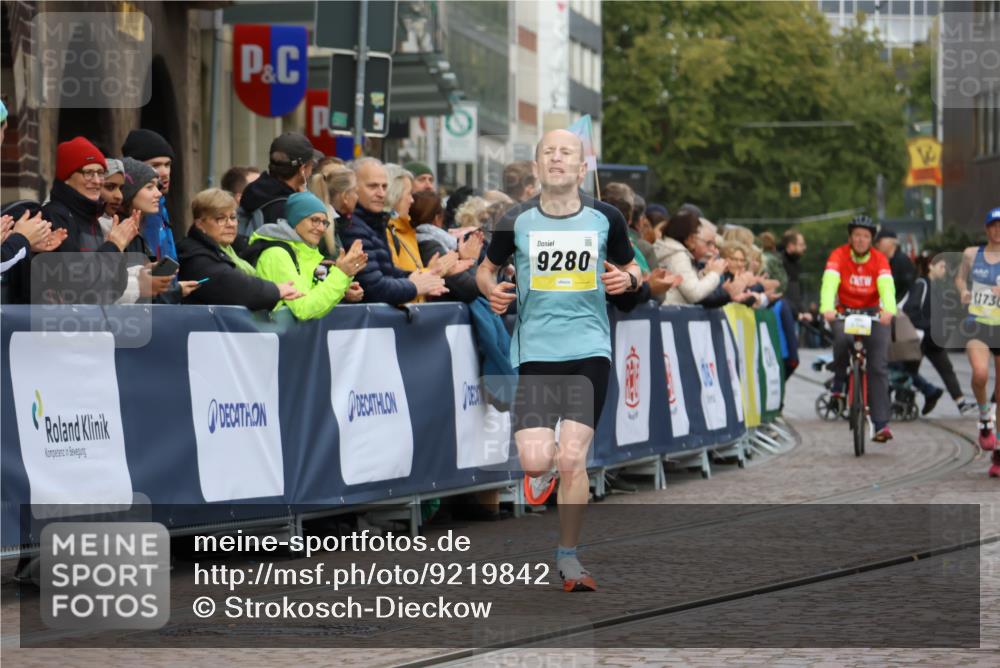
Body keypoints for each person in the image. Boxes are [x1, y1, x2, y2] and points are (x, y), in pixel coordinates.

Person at [476, 129, 642, 592]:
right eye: (548, 151)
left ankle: (569, 557)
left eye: (566, 152)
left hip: (590, 349)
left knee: (571, 458)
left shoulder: (607, 217)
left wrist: (627, 281)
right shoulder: (515, 220)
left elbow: (633, 267)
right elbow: (486, 269)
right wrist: (492, 290)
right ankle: (542, 472)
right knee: (534, 462)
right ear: (536, 167)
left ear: (581, 168)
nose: (556, 157)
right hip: (535, 351)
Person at [23, 137, 139, 304]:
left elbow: (114, 289)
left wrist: (119, 249)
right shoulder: (53, 217)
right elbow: (75, 287)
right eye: (88, 173)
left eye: (101, 173)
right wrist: (113, 247)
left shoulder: (92, 217)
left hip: (93, 317)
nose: (97, 181)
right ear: (67, 177)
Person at [820, 215, 896, 442]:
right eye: (857, 235)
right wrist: (827, 307)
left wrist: (889, 310)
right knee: (841, 339)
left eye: (865, 236)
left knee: (878, 366)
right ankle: (839, 382)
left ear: (871, 240)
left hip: (873, 314)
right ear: (850, 238)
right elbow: (829, 283)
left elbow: (887, 286)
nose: (861, 240)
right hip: (845, 311)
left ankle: (881, 424)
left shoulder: (879, 259)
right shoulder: (838, 255)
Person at [337, 157, 446, 305]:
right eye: (372, 186)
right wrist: (414, 285)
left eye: (384, 186)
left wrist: (421, 278)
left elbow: (388, 272)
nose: (381, 193)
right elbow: (374, 288)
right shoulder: (352, 227)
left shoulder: (376, 222)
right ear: (353, 188)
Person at [246, 191, 366, 319]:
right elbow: (304, 309)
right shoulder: (276, 254)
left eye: (324, 223)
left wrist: (342, 290)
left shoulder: (307, 252)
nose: (321, 228)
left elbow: (312, 295)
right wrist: (341, 274)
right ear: (296, 219)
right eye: (315, 220)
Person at [178, 188, 304, 309]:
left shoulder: (236, 248)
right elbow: (231, 284)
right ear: (200, 224)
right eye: (220, 219)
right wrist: (275, 290)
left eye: (233, 218)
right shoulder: (193, 255)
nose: (230, 224)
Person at [955, 206, 1000, 476]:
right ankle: (984, 417)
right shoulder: (972, 254)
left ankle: (999, 453)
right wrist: (963, 291)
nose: (998, 230)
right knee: (980, 374)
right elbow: (960, 279)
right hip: (978, 325)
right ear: (986, 229)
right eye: (994, 225)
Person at [119, 157, 200, 302]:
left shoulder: (136, 230)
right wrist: (174, 292)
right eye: (149, 187)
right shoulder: (118, 231)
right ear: (128, 191)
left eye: (168, 164)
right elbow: (112, 291)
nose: (159, 193)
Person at [903, 255, 975, 416]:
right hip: (920, 338)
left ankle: (961, 403)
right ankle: (910, 399)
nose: (944, 270)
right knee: (908, 370)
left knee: (946, 369)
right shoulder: (921, 284)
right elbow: (910, 310)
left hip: (933, 339)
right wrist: (928, 325)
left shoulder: (937, 286)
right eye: (942, 266)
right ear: (931, 266)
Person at [237, 132, 321, 250]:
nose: (311, 171)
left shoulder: (254, 191)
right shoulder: (290, 207)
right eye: (311, 165)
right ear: (302, 169)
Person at [411, 190, 482, 303]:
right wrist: (470, 260)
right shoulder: (430, 246)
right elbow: (470, 290)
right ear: (437, 218)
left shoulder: (420, 240)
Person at [121, 129, 179, 258]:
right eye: (155, 165)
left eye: (167, 164)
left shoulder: (159, 206)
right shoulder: (130, 215)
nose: (165, 172)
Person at [653, 208, 727, 305]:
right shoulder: (677, 256)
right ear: (687, 237)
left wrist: (705, 274)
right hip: (671, 311)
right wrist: (715, 274)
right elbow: (694, 294)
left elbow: (687, 286)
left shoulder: (674, 252)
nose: (713, 249)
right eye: (708, 243)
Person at [781, 228, 807, 319]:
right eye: (801, 245)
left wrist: (802, 311)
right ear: (790, 246)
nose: (804, 247)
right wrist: (797, 313)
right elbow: (785, 293)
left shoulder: (795, 263)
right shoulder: (780, 263)